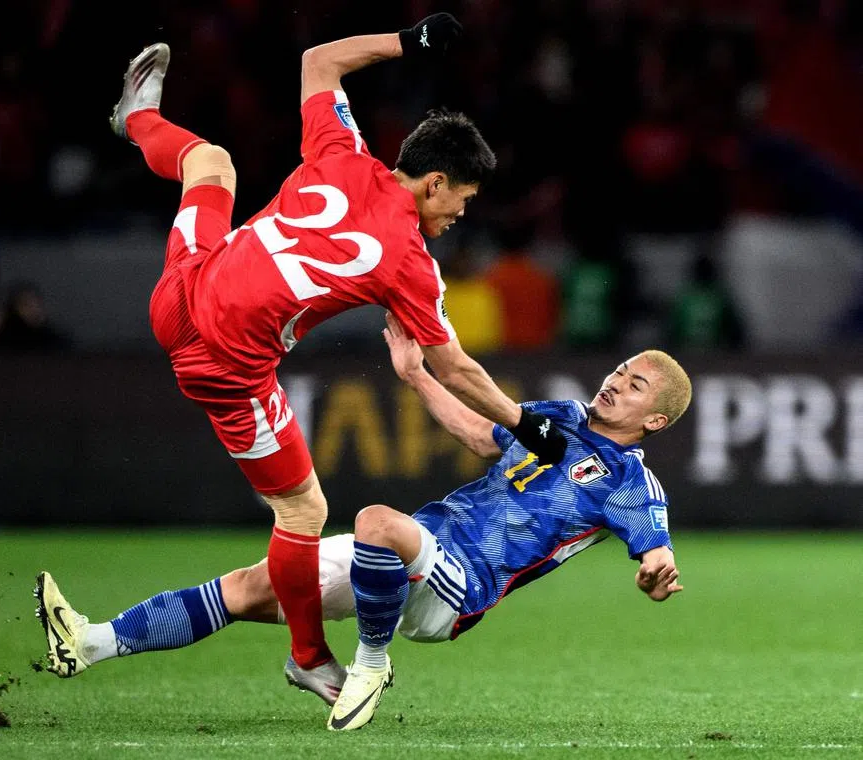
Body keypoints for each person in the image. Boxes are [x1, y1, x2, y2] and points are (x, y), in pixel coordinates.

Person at [39, 13, 569, 700]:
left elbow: (319, 62)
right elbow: (456, 366)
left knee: (209, 163)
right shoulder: (406, 259)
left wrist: (406, 43)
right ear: (435, 183)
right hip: (224, 364)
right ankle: (311, 658)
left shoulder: (342, 152)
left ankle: (139, 119)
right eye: (462, 201)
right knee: (301, 512)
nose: (460, 216)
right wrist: (526, 422)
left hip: (182, 290)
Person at [34, 314, 690, 730]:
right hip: (420, 550)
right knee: (255, 585)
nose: (614, 383)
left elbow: (656, 551)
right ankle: (89, 643)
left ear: (654, 420)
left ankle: (367, 665)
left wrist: (657, 571)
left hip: (460, 589)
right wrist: (416, 377)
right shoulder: (567, 417)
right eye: (620, 371)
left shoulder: (633, 483)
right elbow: (484, 436)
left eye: (633, 387)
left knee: (378, 519)